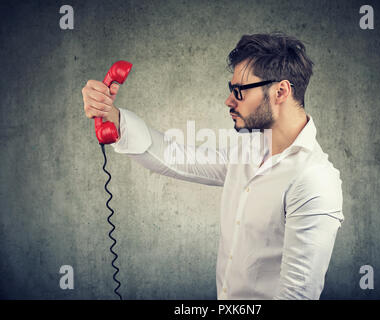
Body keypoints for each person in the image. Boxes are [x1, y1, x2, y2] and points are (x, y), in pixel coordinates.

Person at [82, 33, 344, 299]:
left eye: (239, 91)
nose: (229, 101)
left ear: (280, 91)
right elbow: (177, 158)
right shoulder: (247, 150)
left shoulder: (314, 179)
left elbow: (297, 296)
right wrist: (112, 116)